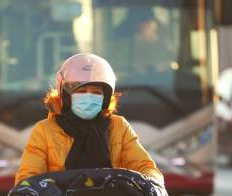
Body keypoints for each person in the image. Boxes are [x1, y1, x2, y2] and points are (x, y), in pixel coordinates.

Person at [15, 53, 163, 185]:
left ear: (105, 98)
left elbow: (146, 167)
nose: (89, 96)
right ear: (65, 95)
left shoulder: (119, 126)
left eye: (96, 92)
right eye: (81, 91)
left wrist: (150, 182)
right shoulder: (44, 130)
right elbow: (27, 179)